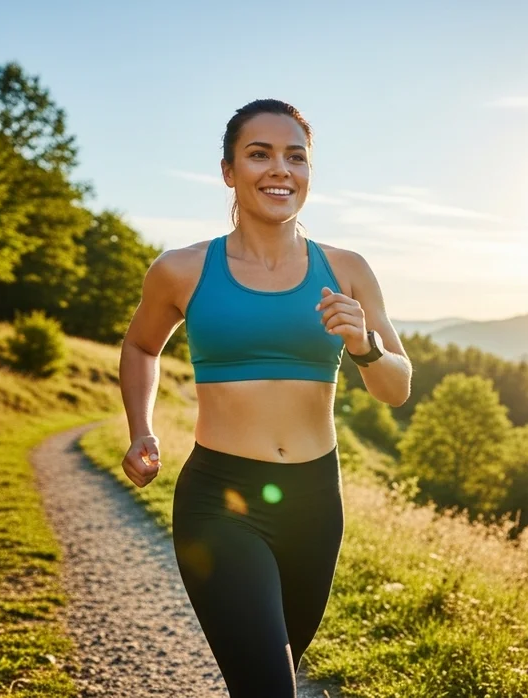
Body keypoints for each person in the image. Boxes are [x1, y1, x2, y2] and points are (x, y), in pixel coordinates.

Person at [117, 98, 412, 695]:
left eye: (295, 157)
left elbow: (397, 388)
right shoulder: (181, 269)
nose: (281, 169)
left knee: (270, 676)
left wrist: (364, 347)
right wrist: (141, 429)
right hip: (220, 502)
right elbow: (142, 347)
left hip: (314, 503)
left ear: (309, 172)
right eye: (260, 154)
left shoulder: (347, 269)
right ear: (229, 171)